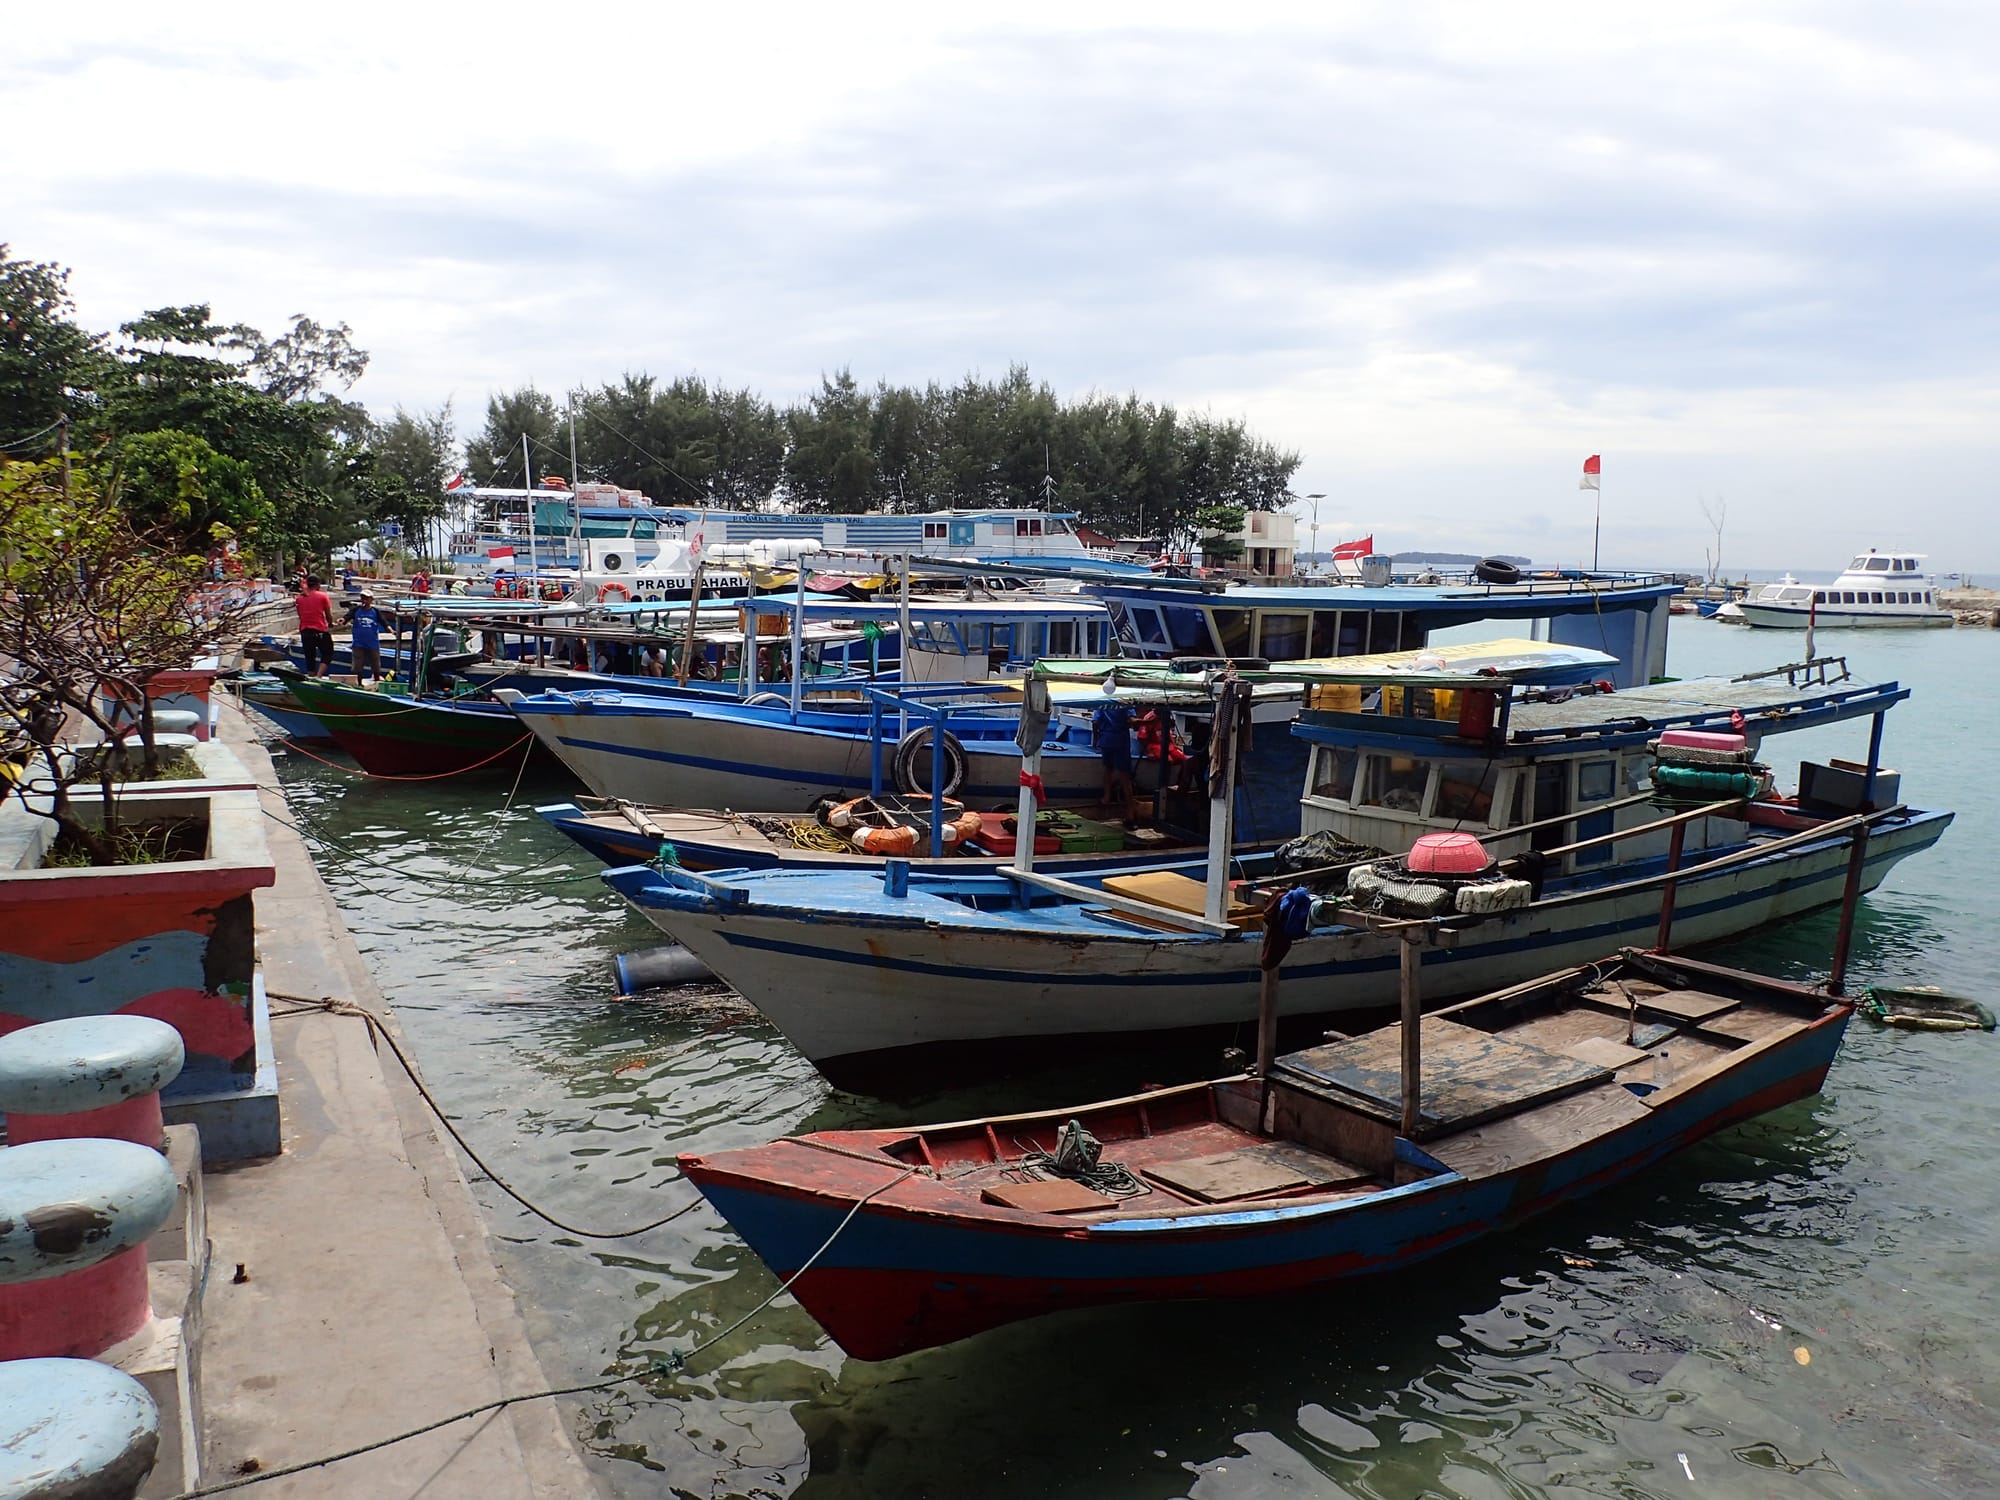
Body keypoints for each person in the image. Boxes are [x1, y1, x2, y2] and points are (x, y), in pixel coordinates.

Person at [1091, 682, 1136, 822]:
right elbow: (1131, 720)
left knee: (1108, 769)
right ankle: (1130, 811)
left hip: (1106, 740)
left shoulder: (1102, 701)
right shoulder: (1125, 701)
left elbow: (1095, 722)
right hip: (1120, 741)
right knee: (1124, 776)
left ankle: (1106, 797)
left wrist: (1096, 741)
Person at [295, 575, 335, 676]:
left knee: (309, 657)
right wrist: (330, 624)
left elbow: (300, 615)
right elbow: (328, 614)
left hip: (305, 630)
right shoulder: (323, 596)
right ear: (318, 584)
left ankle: (311, 676)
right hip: (320, 630)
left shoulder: (299, 598)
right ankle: (319, 676)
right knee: (328, 653)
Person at [345, 591, 384, 681]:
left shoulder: (375, 611)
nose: (364, 601)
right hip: (358, 643)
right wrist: (342, 620)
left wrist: (391, 630)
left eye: (367, 598)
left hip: (372, 643)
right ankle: (359, 683)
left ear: (371, 600)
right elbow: (347, 617)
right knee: (358, 666)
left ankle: (377, 680)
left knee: (376, 665)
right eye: (363, 598)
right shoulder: (356, 610)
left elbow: (383, 622)